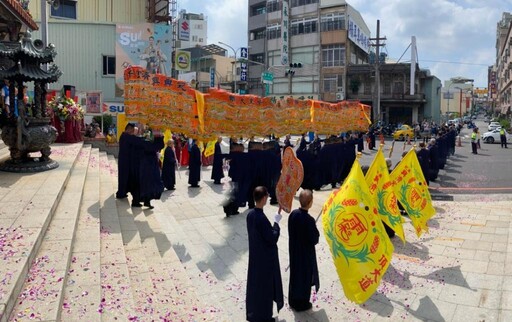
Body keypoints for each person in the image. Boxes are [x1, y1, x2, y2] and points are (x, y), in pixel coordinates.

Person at [246, 186, 283, 322]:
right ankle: (264, 317)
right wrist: (276, 224)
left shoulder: (250, 215)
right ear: (263, 198)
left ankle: (254, 314)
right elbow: (272, 238)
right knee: (264, 289)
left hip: (255, 255)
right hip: (264, 259)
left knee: (255, 287)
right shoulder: (261, 218)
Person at [288, 189, 319, 312]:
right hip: (305, 255)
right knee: (304, 278)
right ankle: (302, 303)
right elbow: (314, 239)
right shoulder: (309, 220)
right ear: (310, 203)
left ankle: (292, 300)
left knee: (295, 275)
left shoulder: (293, 214)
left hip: (294, 251)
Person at [139, 131, 165, 209]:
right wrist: (159, 137)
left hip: (148, 165)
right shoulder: (146, 143)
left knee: (148, 184)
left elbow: (158, 146)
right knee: (150, 184)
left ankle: (147, 201)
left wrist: (159, 137)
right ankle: (145, 200)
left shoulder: (147, 142)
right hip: (148, 166)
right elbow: (157, 146)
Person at [116, 123, 136, 199]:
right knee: (123, 177)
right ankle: (121, 193)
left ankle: (123, 191)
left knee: (126, 177)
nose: (133, 131)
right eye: (132, 130)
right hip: (124, 160)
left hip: (125, 159)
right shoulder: (125, 136)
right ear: (129, 129)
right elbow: (135, 141)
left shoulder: (126, 136)